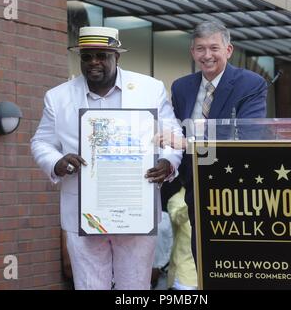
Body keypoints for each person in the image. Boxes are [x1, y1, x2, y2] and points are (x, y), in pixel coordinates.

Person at [31, 26, 182, 290]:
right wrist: (56, 161)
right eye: (86, 57)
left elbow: (172, 136)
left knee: (134, 287)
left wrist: (168, 162)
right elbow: (41, 142)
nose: (93, 63)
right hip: (84, 211)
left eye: (101, 55)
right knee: (89, 285)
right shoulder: (57, 97)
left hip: (136, 208)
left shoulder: (150, 89)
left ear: (117, 56)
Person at [166, 21, 268, 262]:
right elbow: (173, 131)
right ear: (192, 52)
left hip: (237, 191)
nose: (207, 55)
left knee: (236, 264)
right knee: (203, 260)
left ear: (228, 50)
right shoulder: (181, 88)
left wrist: (188, 143)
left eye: (214, 48)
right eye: (200, 49)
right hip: (196, 191)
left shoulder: (251, 84)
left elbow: (246, 138)